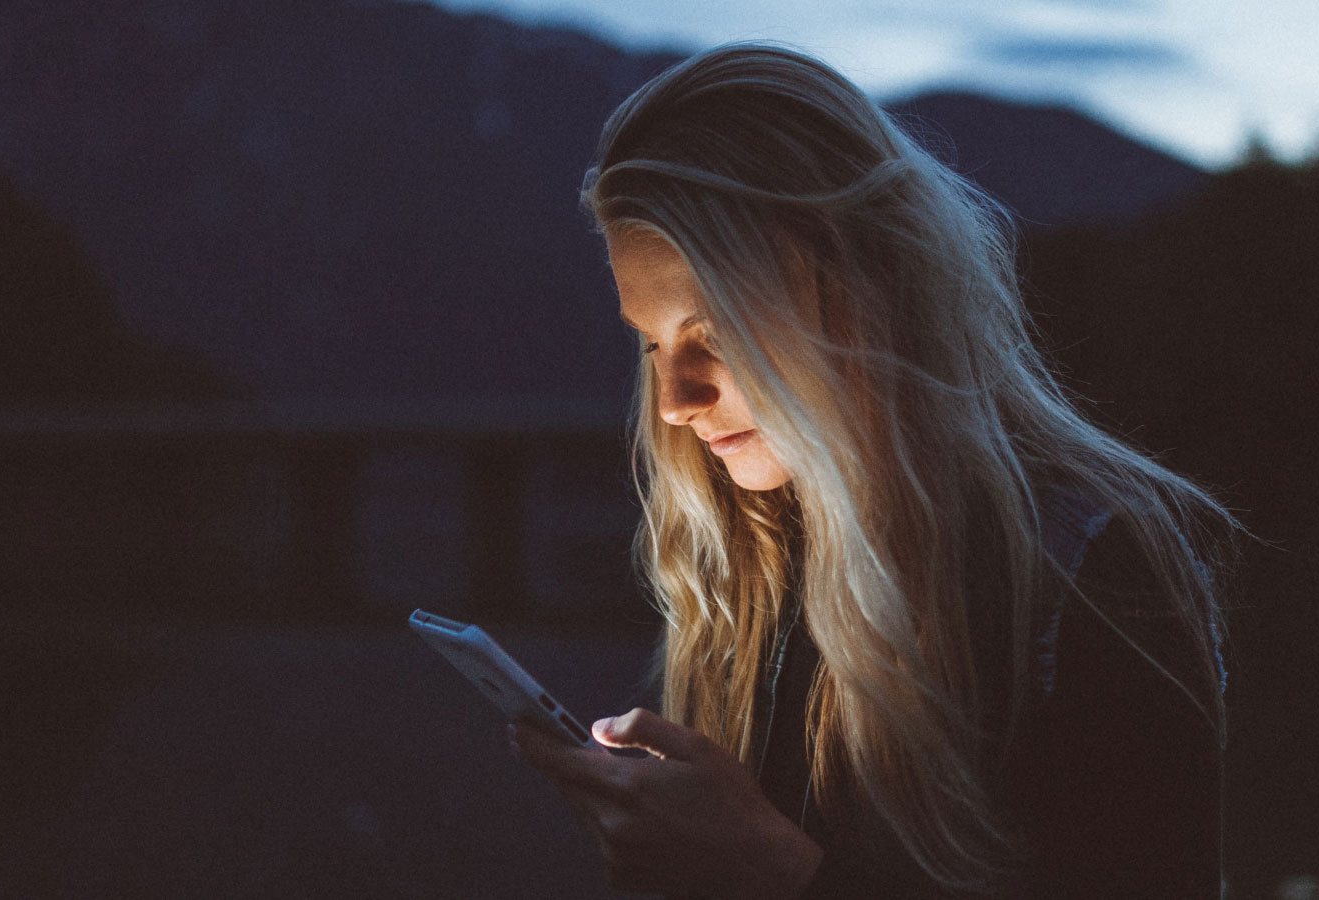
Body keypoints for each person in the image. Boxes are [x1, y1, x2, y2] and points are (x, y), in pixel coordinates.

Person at [508, 43, 1237, 899]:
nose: (672, 400)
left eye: (716, 332)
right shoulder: (759, 562)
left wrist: (773, 872)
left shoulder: (1092, 578)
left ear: (862, 282)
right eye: (652, 342)